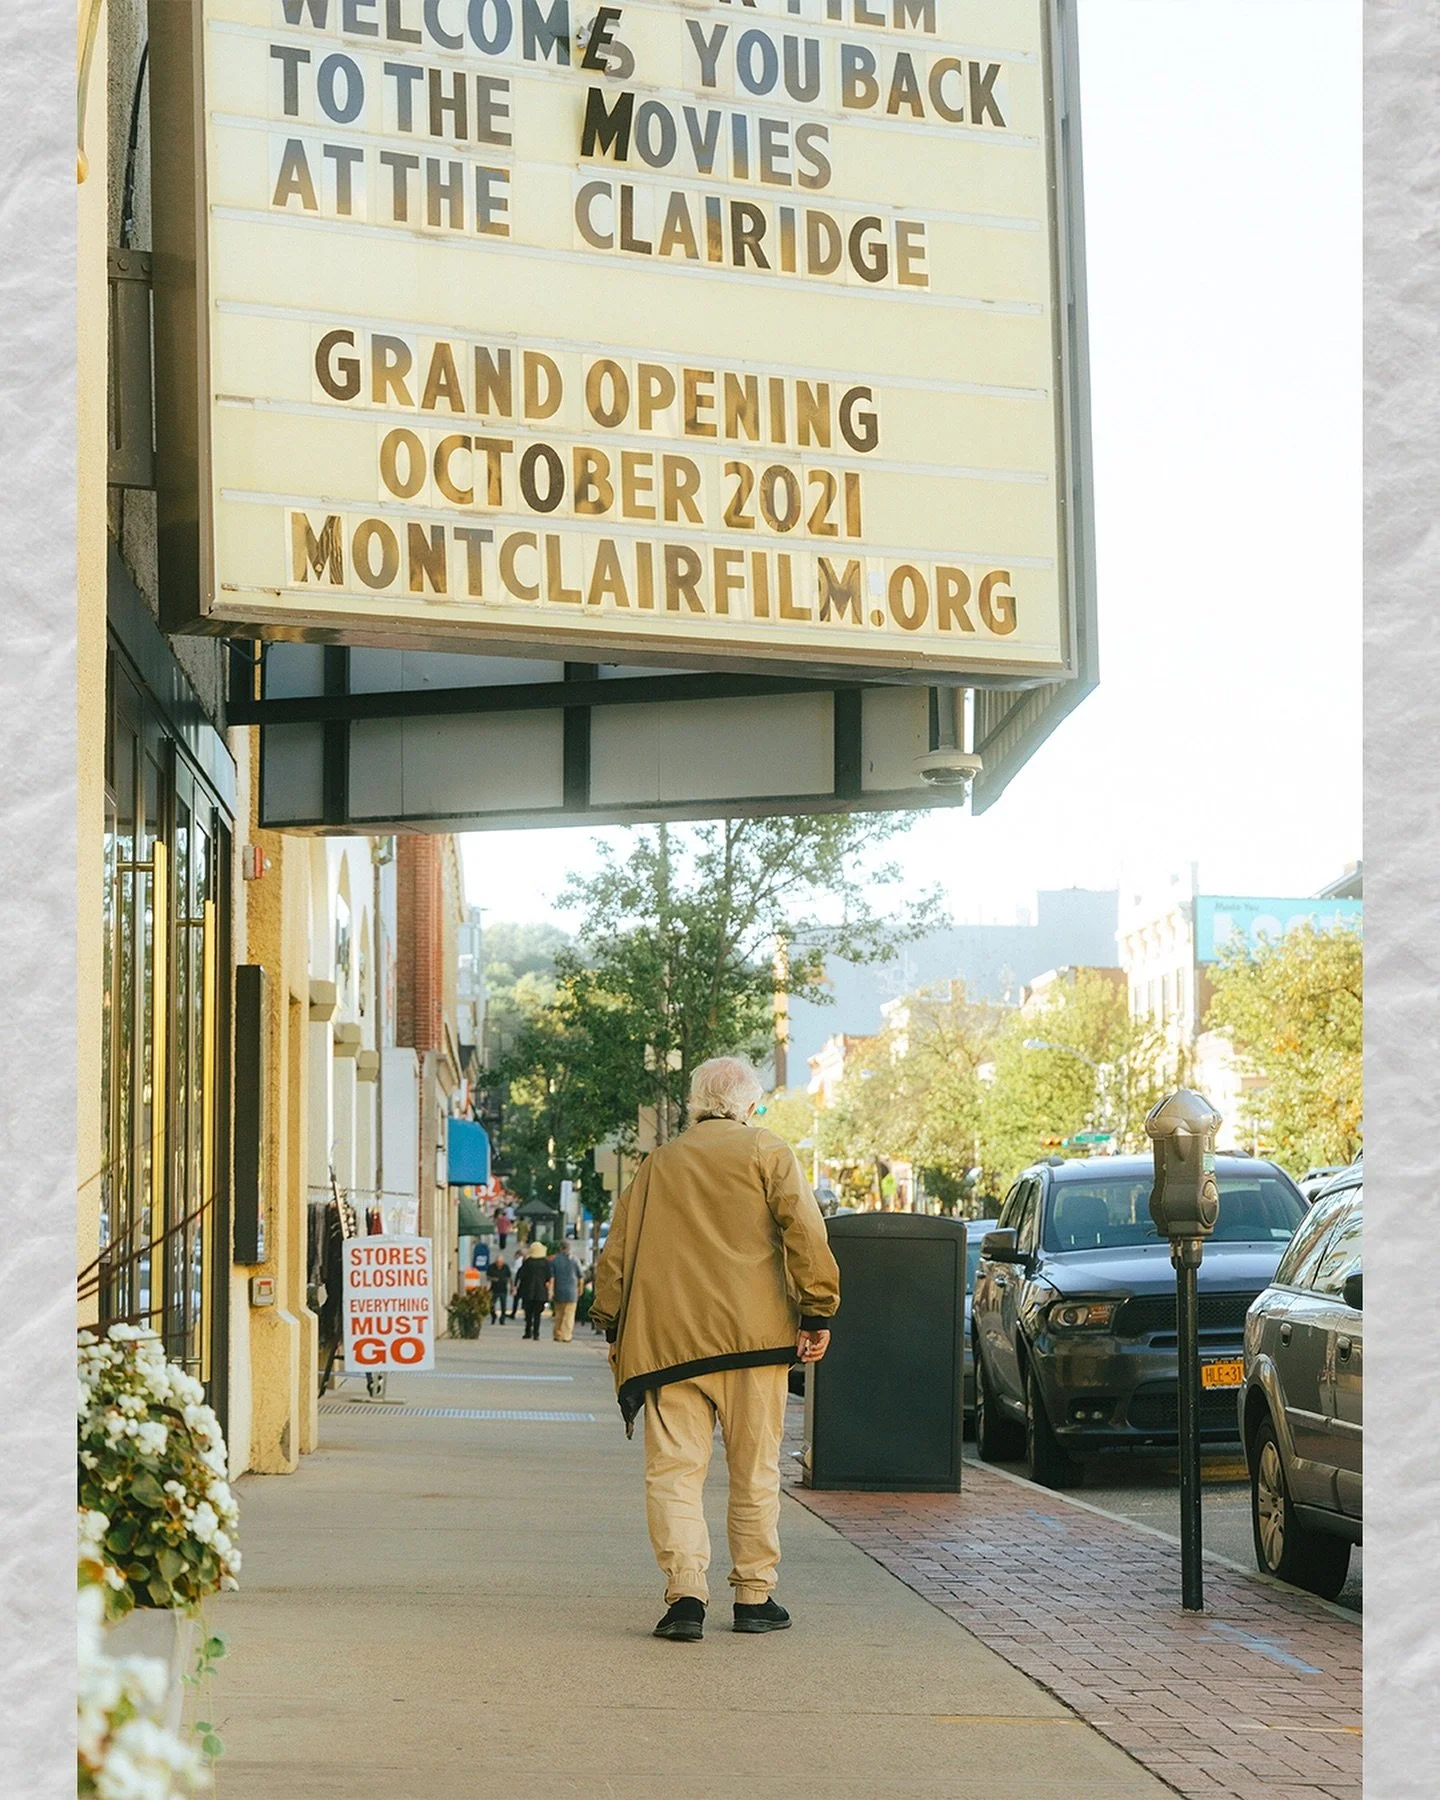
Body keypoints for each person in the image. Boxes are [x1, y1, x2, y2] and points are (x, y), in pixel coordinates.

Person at [591, 1056, 839, 1644]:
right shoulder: (767, 1151)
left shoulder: (657, 1165)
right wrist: (817, 1310)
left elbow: (617, 1253)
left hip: (669, 1348)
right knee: (755, 1471)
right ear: (749, 1105)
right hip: (755, 1343)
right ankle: (753, 1596)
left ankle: (685, 1597)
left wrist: (611, 1323)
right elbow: (805, 1231)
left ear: (696, 1103)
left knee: (674, 1473)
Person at [515, 1242, 552, 1339]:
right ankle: (536, 1333)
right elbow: (549, 1277)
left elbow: (520, 1275)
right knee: (537, 1314)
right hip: (540, 1292)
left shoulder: (528, 1262)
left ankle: (528, 1331)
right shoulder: (545, 1263)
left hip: (528, 1291)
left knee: (528, 1313)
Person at [549, 1242, 582, 1342]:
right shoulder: (575, 1260)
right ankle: (566, 1336)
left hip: (558, 1291)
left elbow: (552, 1278)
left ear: (560, 1248)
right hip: (572, 1292)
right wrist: (580, 1289)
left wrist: (551, 1291)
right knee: (569, 1315)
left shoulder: (555, 1260)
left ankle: (557, 1334)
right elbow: (580, 1277)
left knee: (558, 1314)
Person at [487, 1255, 511, 1326]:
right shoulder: (491, 1267)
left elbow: (509, 1277)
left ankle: (502, 1319)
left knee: (503, 1306)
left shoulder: (506, 1267)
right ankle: (494, 1316)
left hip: (503, 1289)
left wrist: (512, 1287)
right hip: (494, 1289)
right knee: (491, 1305)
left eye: (500, 1262)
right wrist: (493, 1279)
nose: (499, 1264)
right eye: (497, 1262)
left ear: (503, 1262)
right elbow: (488, 1277)